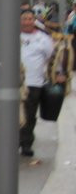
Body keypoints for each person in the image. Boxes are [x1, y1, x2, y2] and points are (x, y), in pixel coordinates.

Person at [19, 9, 62, 157]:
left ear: (34, 20)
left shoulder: (43, 39)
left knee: (29, 115)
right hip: (15, 83)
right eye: (24, 19)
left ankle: (26, 143)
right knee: (13, 114)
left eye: (30, 18)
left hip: (34, 82)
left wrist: (58, 74)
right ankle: (13, 141)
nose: (27, 22)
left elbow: (53, 59)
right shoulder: (11, 36)